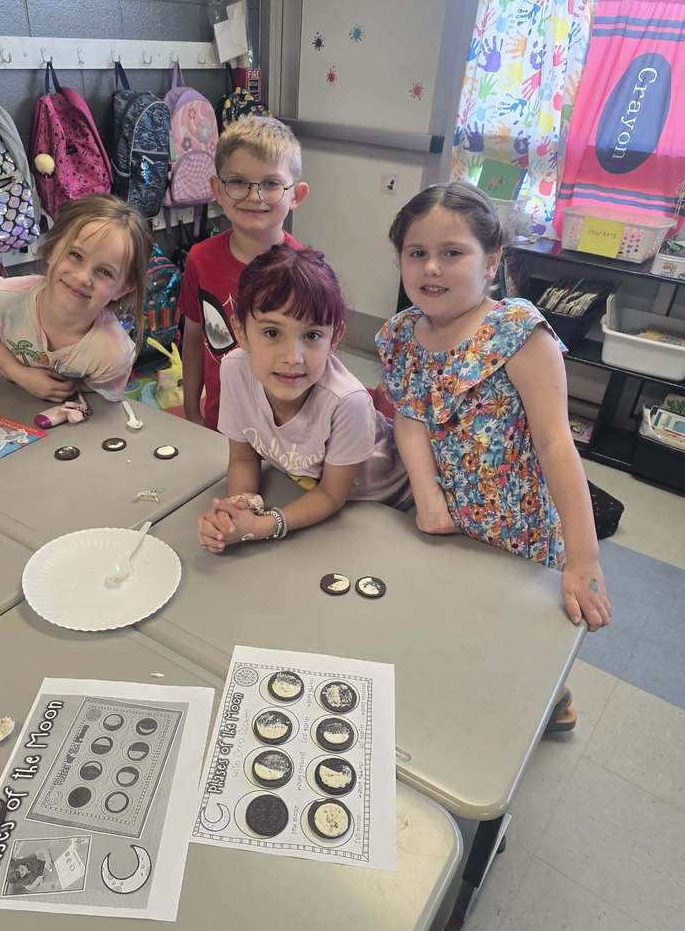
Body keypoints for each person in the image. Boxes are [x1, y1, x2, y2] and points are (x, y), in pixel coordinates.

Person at [376, 182, 612, 732]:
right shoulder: (402, 336)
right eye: (417, 254)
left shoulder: (521, 336)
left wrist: (584, 559)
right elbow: (410, 415)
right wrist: (430, 501)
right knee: (456, 620)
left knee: (523, 636)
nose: (431, 268)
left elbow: (557, 446)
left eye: (452, 252)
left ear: (492, 261)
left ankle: (553, 700)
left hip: (519, 530)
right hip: (446, 522)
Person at [197, 245, 411, 551]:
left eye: (311, 336)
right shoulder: (235, 369)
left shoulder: (347, 401)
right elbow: (244, 458)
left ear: (334, 337)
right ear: (241, 331)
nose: (292, 357)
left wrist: (263, 526)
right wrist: (234, 515)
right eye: (272, 333)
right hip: (314, 493)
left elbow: (331, 495)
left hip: (389, 503)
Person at [180, 116, 308, 430]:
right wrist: (191, 411)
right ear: (217, 190)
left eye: (270, 183)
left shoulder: (306, 273)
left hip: (285, 430)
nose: (254, 196)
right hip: (218, 422)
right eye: (238, 181)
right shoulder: (200, 259)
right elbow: (194, 341)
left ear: (296, 195)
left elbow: (315, 360)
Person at [0, 194, 151, 403]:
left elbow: (99, 407)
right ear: (51, 250)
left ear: (123, 288)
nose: (82, 278)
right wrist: (20, 374)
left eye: (104, 272)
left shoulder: (114, 353)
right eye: (76, 255)